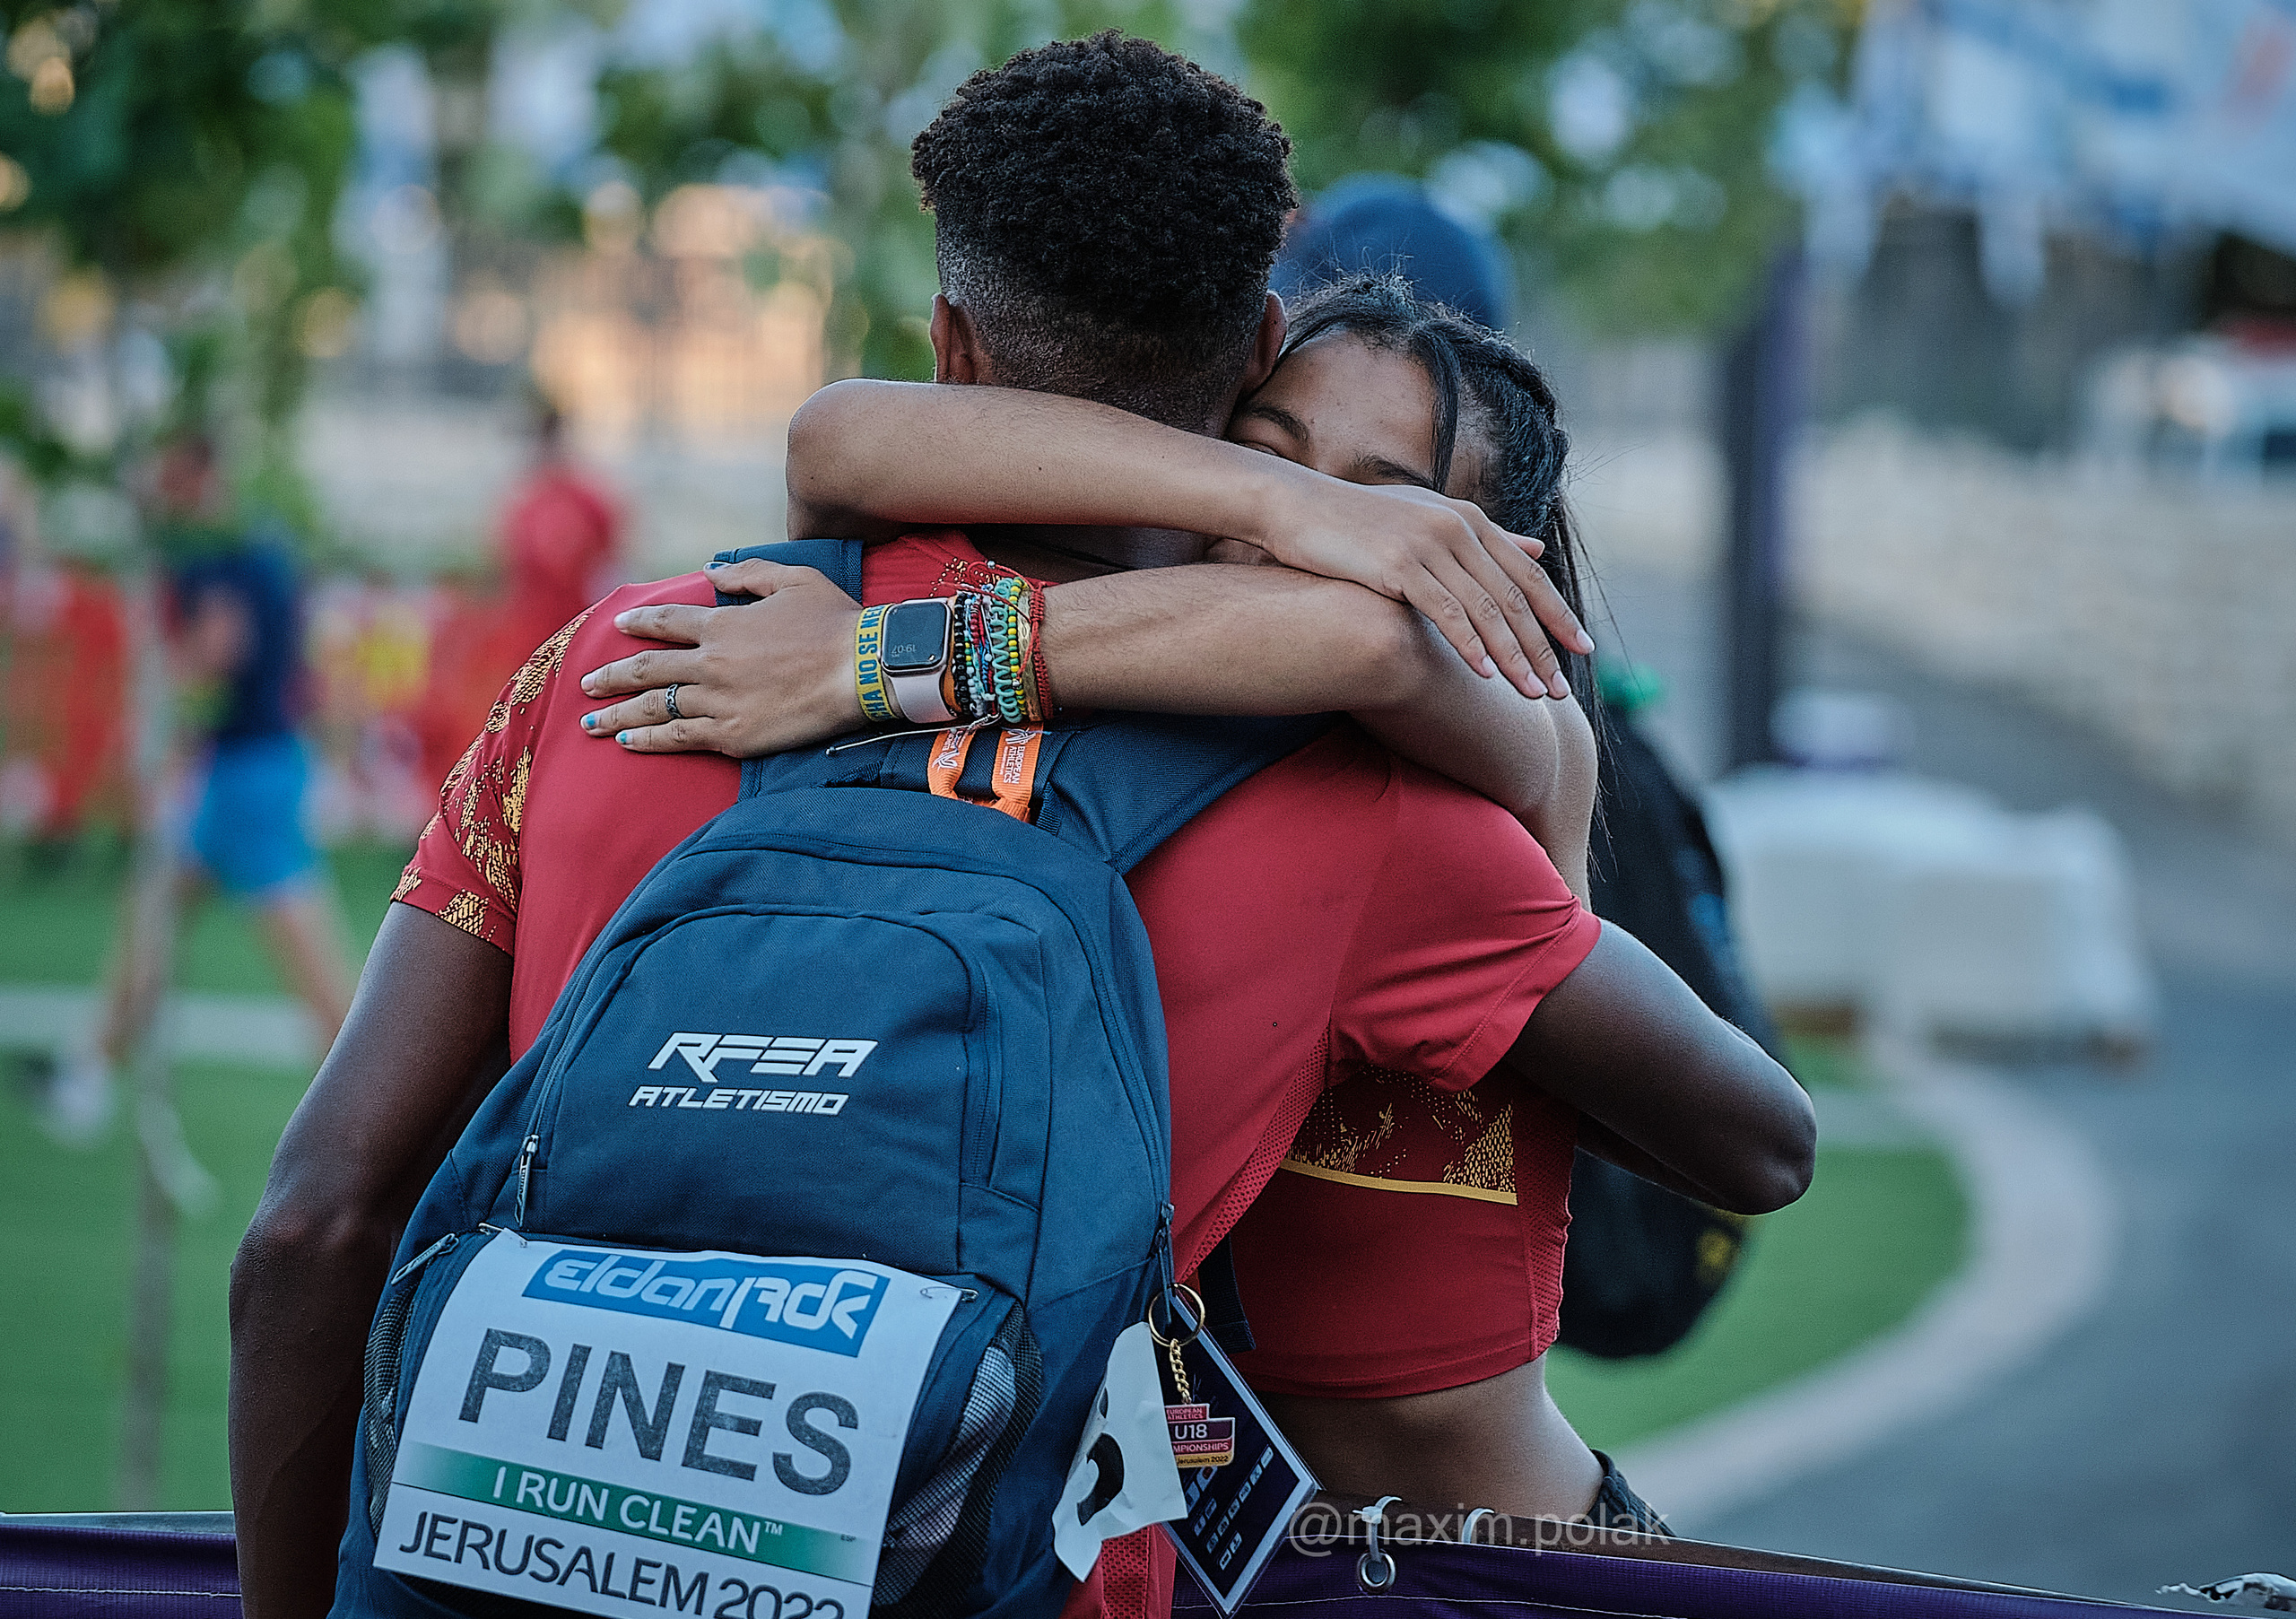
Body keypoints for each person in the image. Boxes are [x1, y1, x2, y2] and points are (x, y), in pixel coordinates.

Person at [228, 35, 1811, 1619]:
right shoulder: (1355, 811)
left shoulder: (628, 667)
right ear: (1254, 349)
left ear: (952, 345)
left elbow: (314, 1225)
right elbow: (1750, 1143)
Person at [575, 274, 1740, 1528]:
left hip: (1491, 1559)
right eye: (1269, 457)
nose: (1309, 530)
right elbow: (835, 436)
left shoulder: (1489, 759)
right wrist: (1281, 507)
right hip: (1193, 1546)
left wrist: (876, 661)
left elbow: (1759, 1143)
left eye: (1388, 505)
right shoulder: (1178, 738)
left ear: (1490, 561)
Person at [44, 434, 353, 1144]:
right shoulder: (260, 545)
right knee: (154, 914)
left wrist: (162, 697)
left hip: (249, 771)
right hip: (242, 766)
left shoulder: (217, 555)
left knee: (305, 955)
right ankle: (89, 1068)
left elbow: (220, 650)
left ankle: (368, 1101)